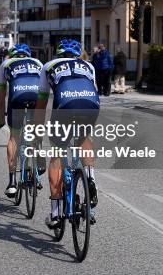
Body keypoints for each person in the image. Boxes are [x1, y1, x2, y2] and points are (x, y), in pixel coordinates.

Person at [36, 39, 100, 228]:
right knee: (84, 140)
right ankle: (90, 180)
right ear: (78, 54)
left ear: (58, 53)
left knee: (57, 153)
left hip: (65, 107)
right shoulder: (89, 66)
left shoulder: (48, 66)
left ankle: (55, 213)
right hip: (91, 106)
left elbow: (41, 105)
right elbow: (91, 92)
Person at [0, 44, 44, 198]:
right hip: (36, 98)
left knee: (14, 137)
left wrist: (1, 118)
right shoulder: (38, 63)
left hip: (17, 99)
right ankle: (38, 167)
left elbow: (1, 97)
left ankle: (12, 182)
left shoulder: (6, 64)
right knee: (36, 131)